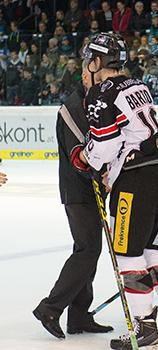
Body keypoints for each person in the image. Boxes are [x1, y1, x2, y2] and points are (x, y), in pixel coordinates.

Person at [72, 32, 158, 350]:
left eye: (89, 60)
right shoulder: (137, 85)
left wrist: (84, 157)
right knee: (155, 253)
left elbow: (104, 145)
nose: (87, 66)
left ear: (98, 61)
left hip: (135, 182)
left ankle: (144, 327)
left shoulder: (101, 93)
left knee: (128, 257)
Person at [33, 58, 113, 340]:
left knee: (89, 248)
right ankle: (50, 308)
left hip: (92, 188)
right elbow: (80, 154)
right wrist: (101, 173)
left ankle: (79, 315)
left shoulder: (96, 103)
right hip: (78, 190)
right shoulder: (72, 107)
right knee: (87, 250)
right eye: (99, 76)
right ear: (85, 75)